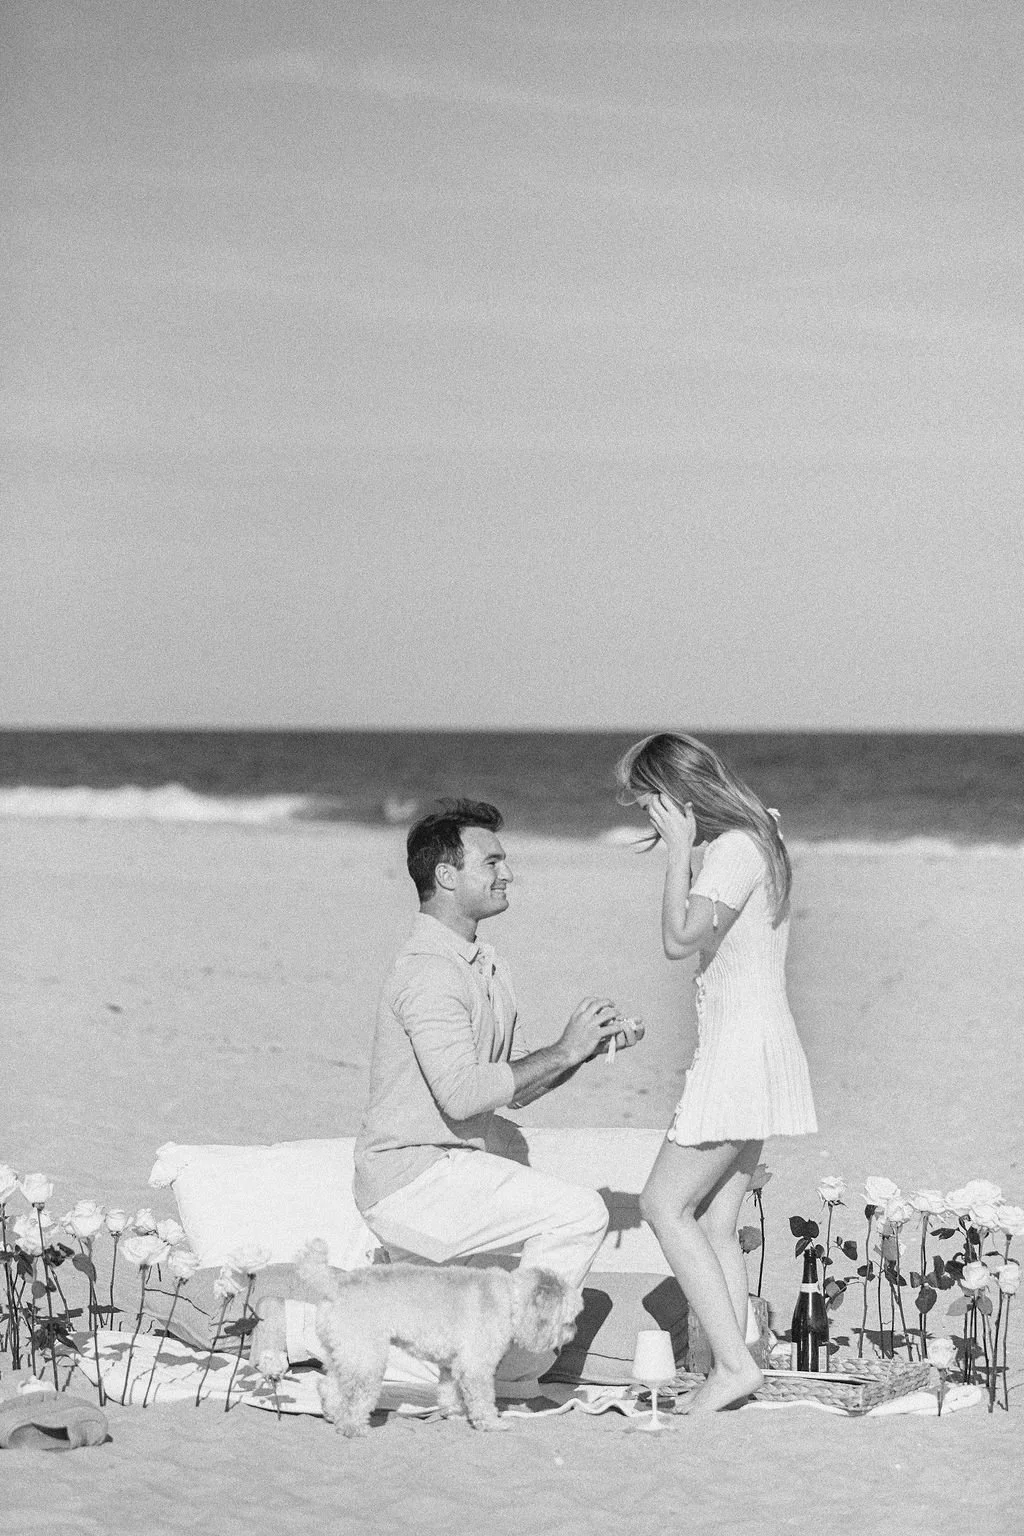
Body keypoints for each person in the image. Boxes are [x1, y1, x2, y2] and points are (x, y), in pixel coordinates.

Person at [352, 799, 643, 1387]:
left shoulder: (483, 964)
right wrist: (561, 1049)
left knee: (449, 1331)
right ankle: (514, 1366)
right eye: (492, 862)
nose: (507, 873)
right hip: (412, 1181)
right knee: (580, 1213)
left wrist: (581, 1050)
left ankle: (479, 1359)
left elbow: (509, 1090)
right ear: (446, 876)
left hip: (449, 1175)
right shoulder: (430, 971)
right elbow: (462, 1096)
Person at [616, 733, 817, 1413]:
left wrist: (678, 853)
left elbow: (680, 940)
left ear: (676, 795)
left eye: (650, 804)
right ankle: (729, 1363)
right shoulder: (756, 839)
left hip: (738, 1053)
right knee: (720, 1220)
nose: (647, 818)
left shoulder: (732, 850)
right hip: (756, 1045)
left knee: (663, 1205)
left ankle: (732, 1366)